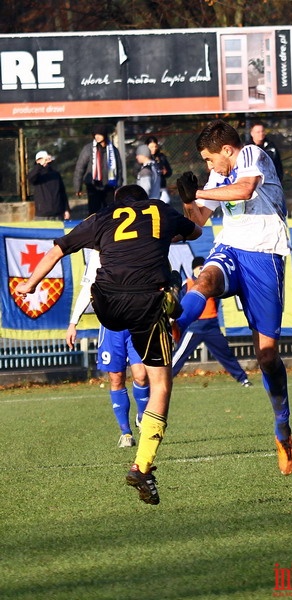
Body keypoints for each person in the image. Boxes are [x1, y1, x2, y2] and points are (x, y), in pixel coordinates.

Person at [15, 184, 202, 505]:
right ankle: (142, 466)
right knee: (160, 380)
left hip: (107, 304)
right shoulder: (159, 209)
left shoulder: (101, 216)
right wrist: (186, 209)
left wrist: (30, 283)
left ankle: (164, 302)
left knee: (125, 291)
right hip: (145, 300)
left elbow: (57, 249)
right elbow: (196, 231)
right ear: (144, 201)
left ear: (117, 203)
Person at [174, 119, 292, 476]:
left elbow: (243, 190)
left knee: (267, 356)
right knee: (206, 278)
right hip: (230, 248)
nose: (209, 167)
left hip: (265, 256)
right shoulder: (217, 176)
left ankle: (282, 427)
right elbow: (197, 226)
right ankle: (174, 327)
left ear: (227, 150)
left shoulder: (251, 155)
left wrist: (199, 193)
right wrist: (187, 201)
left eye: (210, 160)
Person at [65, 248, 150, 448]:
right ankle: (126, 432)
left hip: (137, 321)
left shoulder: (137, 244)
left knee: (141, 375)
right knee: (116, 377)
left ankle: (142, 417)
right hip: (111, 326)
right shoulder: (99, 253)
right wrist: (73, 323)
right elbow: (88, 288)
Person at [173, 256, 252, 387]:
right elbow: (181, 304)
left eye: (204, 267)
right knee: (179, 355)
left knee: (225, 353)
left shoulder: (211, 284)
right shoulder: (187, 284)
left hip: (211, 326)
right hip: (195, 326)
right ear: (193, 269)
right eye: (199, 268)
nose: (202, 270)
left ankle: (243, 379)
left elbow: (217, 300)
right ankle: (164, 378)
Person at [73, 124, 123, 215]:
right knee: (94, 213)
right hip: (93, 186)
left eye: (99, 134)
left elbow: (119, 170)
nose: (97, 137)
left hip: (109, 186)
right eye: (95, 134)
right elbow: (80, 168)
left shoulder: (113, 150)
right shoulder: (88, 149)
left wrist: (118, 188)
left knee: (110, 213)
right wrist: (77, 187)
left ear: (104, 134)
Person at [28, 150, 70, 221]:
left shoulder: (55, 174)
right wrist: (40, 165)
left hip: (58, 213)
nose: (45, 161)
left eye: (46, 159)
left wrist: (66, 209)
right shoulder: (36, 175)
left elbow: (62, 192)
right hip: (42, 215)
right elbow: (30, 178)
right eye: (43, 159)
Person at [146, 136, 173, 204]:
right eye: (151, 147)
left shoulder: (161, 157)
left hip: (161, 187)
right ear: (147, 146)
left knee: (165, 204)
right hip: (150, 189)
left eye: (155, 146)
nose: (154, 149)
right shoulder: (144, 158)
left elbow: (169, 171)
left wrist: (165, 172)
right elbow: (136, 171)